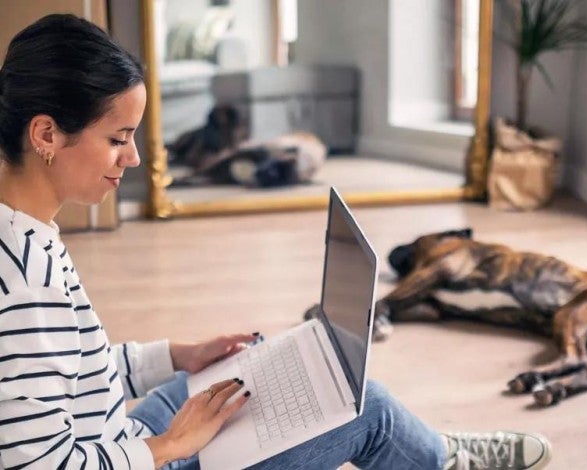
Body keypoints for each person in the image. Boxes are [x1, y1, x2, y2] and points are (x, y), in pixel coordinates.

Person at [0, 14, 552, 470]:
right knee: (362, 409)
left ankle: (428, 449)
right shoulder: (27, 285)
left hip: (122, 433)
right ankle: (443, 459)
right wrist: (170, 445)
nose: (135, 158)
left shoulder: (24, 233)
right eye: (118, 139)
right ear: (47, 134)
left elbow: (72, 371)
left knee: (270, 367)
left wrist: (178, 356)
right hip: (143, 455)